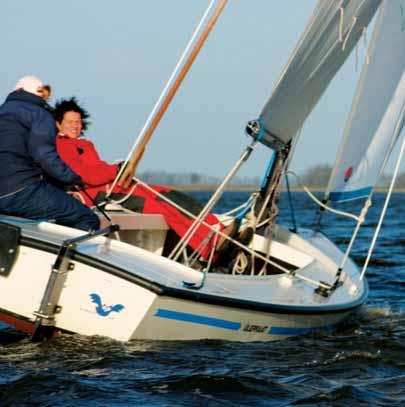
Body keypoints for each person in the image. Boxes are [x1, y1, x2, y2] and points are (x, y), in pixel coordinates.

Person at [54, 97, 235, 260]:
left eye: (78, 122)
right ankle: (208, 249)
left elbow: (97, 169)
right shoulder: (63, 145)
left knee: (171, 195)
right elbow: (84, 174)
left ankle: (216, 229)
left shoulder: (85, 144)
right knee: (162, 206)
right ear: (58, 124)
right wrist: (117, 169)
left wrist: (119, 170)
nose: (75, 126)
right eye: (70, 122)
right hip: (99, 194)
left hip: (117, 187)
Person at [0, 76, 100, 231]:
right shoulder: (40, 115)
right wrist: (72, 179)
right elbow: (44, 156)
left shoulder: (3, 111)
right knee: (85, 217)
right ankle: (67, 255)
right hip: (20, 189)